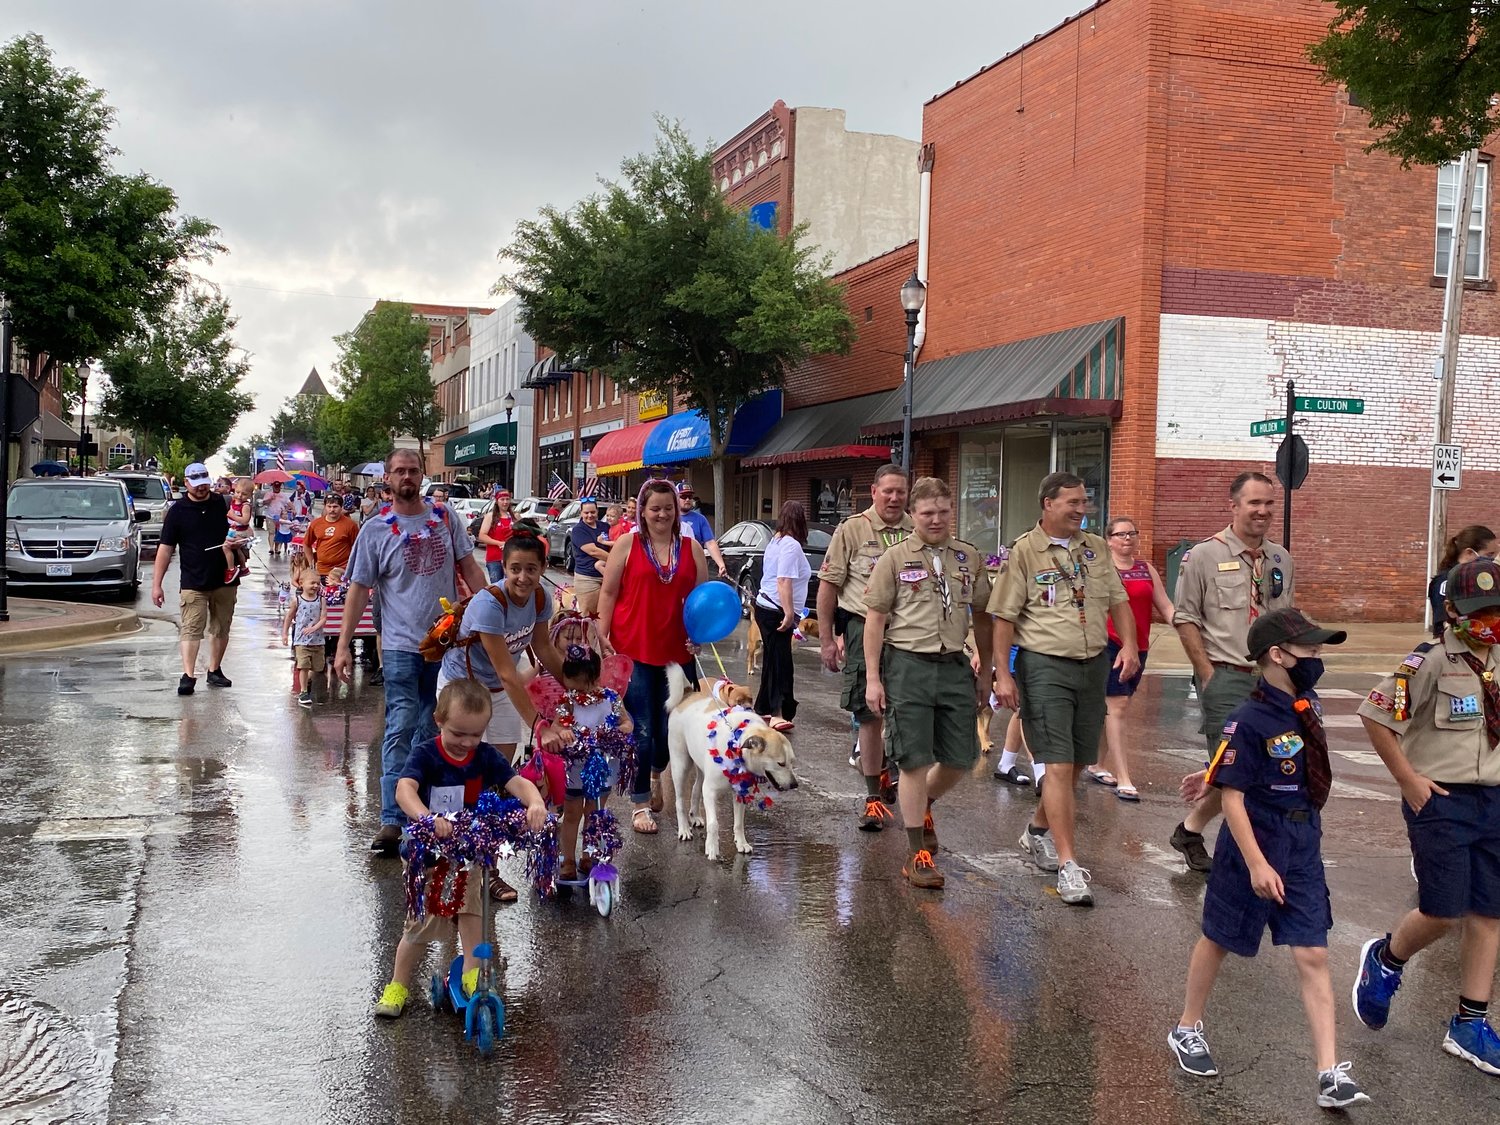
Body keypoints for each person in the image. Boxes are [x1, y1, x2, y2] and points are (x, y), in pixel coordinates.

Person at [1167, 609, 1369, 1109]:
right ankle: (1187, 1028)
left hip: (1303, 843)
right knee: (1220, 938)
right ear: (1277, 656)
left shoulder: (1308, 703)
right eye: (1310, 651)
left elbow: (1265, 761)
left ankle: (1329, 1073)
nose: (1317, 659)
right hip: (1254, 842)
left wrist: (1211, 770)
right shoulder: (1250, 716)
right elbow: (1234, 798)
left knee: (1313, 950)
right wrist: (1257, 863)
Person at [1352, 557, 1500, 1075]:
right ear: (1453, 609)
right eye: (1481, 610)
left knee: (1491, 912)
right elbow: (1375, 717)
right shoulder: (1430, 661)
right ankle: (1386, 959)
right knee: (1443, 911)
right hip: (1441, 800)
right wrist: (1409, 782)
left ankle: (1469, 1022)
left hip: (1495, 801)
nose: (1492, 619)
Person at [989, 471, 1137, 906]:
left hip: (1093, 664)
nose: (1081, 509)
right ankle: (1070, 866)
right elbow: (1003, 618)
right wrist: (1003, 673)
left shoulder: (1094, 548)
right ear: (1047, 504)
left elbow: (1117, 600)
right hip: (1044, 666)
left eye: (1084, 501)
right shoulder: (1024, 552)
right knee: (1056, 766)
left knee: (1076, 765)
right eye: (1072, 502)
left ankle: (1037, 831)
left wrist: (1128, 644)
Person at [334, 448, 485, 856]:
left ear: (422, 475)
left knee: (434, 725)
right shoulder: (375, 529)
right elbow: (359, 590)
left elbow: (469, 568)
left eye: (413, 470)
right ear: (387, 477)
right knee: (400, 724)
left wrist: (491, 606)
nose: (406, 477)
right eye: (399, 471)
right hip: (400, 645)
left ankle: (430, 813)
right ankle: (391, 819)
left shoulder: (445, 518)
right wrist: (344, 644)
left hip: (444, 644)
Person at [371, 679, 549, 1020]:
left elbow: (517, 782)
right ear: (439, 720)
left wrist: (535, 801)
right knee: (420, 925)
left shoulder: (483, 756)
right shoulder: (425, 754)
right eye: (458, 733)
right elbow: (405, 789)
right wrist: (425, 818)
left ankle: (471, 975)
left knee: (472, 913)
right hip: (430, 852)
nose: (466, 743)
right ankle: (397, 985)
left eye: (475, 735)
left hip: (469, 850)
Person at [863, 477, 993, 889]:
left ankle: (923, 804)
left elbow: (984, 614)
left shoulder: (967, 557)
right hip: (907, 665)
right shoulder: (895, 558)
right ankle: (917, 853)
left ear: (951, 510)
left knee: (962, 757)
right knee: (914, 760)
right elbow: (875, 620)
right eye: (926, 513)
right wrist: (872, 678)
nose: (935, 520)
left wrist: (987, 668)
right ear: (913, 515)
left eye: (942, 512)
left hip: (954, 664)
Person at [1171, 472, 1295, 874]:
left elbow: (1286, 623)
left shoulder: (1280, 558)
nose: (1262, 511)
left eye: (1268, 503)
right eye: (1254, 503)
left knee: (1261, 767)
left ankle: (1190, 830)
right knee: (1235, 770)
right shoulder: (1205, 555)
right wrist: (1207, 674)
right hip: (1226, 676)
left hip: (1271, 682)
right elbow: (1185, 618)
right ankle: (1247, 862)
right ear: (1234, 506)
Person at [597, 479, 709, 834]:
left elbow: (701, 602)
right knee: (642, 728)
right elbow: (610, 591)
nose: (662, 514)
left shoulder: (691, 549)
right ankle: (640, 802)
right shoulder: (628, 545)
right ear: (642, 511)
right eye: (655, 508)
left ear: (677, 511)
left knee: (668, 731)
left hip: (678, 653)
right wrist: (601, 633)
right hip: (634, 647)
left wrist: (700, 637)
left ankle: (656, 771)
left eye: (668, 508)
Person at [816, 464, 914, 831]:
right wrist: (827, 640)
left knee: (905, 711)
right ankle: (873, 796)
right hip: (860, 628)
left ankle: (888, 771)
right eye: (887, 491)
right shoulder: (853, 529)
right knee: (870, 714)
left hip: (907, 633)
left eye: (900, 492)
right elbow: (828, 586)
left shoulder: (916, 530)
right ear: (873, 492)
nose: (893, 498)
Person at [437, 528, 568, 763]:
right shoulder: (490, 604)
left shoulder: (540, 597)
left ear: (543, 568)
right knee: (462, 758)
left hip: (498, 687)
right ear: (504, 567)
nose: (523, 577)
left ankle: (493, 798)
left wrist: (577, 689)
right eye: (515, 569)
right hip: (463, 683)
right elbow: (507, 673)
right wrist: (539, 726)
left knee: (501, 763)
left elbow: (544, 648)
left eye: (531, 569)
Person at [1089, 516, 1174, 801]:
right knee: (1118, 706)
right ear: (1109, 540)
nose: (1127, 539)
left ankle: (1097, 764)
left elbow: (1165, 605)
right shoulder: (1102, 570)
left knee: (1110, 711)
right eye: (1121, 535)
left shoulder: (1145, 569)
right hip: (1110, 645)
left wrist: (1188, 627)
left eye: (1132, 534)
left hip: (1140, 646)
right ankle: (1124, 777)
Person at [153, 462, 240, 696]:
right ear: (186, 483)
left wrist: (238, 541)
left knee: (221, 628)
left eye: (204, 484)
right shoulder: (178, 511)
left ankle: (215, 670)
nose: (202, 489)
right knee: (191, 629)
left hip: (225, 578)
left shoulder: (223, 504)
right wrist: (156, 585)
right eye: (196, 484)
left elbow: (242, 530)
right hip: (193, 581)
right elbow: (166, 548)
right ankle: (188, 675)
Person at [753, 500, 812, 732]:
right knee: (781, 662)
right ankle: (778, 712)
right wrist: (789, 613)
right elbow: (783, 579)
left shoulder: (775, 542)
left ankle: (764, 707)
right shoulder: (790, 545)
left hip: (765, 606)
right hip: (776, 609)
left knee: (772, 659)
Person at [1426, 524, 1496, 637]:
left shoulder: (1481, 578)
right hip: (1455, 646)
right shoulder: (1446, 581)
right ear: (1469, 553)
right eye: (1490, 554)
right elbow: (1446, 624)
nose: (1493, 559)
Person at [282, 571, 328, 707]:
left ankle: (307, 682)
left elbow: (323, 617)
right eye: (312, 583)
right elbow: (289, 617)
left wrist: (315, 628)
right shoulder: (297, 600)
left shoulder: (321, 600)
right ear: (301, 584)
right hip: (301, 641)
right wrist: (285, 633)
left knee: (318, 667)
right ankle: (303, 692)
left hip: (318, 640)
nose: (315, 586)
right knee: (303, 665)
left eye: (318, 583)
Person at [569, 499, 611, 614]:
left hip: (608, 576)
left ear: (597, 512)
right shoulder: (578, 530)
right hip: (588, 579)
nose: (590, 515)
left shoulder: (605, 526)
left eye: (593, 512)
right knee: (591, 616)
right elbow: (593, 551)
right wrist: (616, 560)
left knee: (608, 615)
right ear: (581, 513)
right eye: (586, 513)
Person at [676, 484, 726, 573]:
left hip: (694, 566)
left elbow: (710, 543)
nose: (687, 499)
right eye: (683, 496)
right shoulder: (669, 518)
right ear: (675, 498)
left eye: (690, 496)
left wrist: (721, 564)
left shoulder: (700, 519)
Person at [307, 493, 359, 580]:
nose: (332, 509)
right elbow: (306, 544)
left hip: (342, 572)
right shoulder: (316, 524)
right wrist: (311, 562)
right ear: (325, 507)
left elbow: (357, 547)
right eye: (329, 506)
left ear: (341, 507)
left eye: (335, 506)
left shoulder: (351, 525)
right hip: (321, 571)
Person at [477, 487, 516, 585]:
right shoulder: (491, 516)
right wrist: (500, 543)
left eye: (507, 499)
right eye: (502, 499)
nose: (505, 502)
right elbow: (482, 535)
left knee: (511, 585)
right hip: (494, 558)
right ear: (497, 501)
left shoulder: (515, 517)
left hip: (512, 557)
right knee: (497, 586)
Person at [263, 481, 290, 559]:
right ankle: (271, 548)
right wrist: (270, 499)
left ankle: (277, 548)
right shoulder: (268, 494)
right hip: (270, 516)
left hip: (280, 517)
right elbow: (264, 502)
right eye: (275, 486)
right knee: (271, 532)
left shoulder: (283, 495)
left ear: (280, 486)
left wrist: (293, 509)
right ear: (273, 486)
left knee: (279, 533)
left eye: (278, 486)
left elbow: (288, 502)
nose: (277, 488)